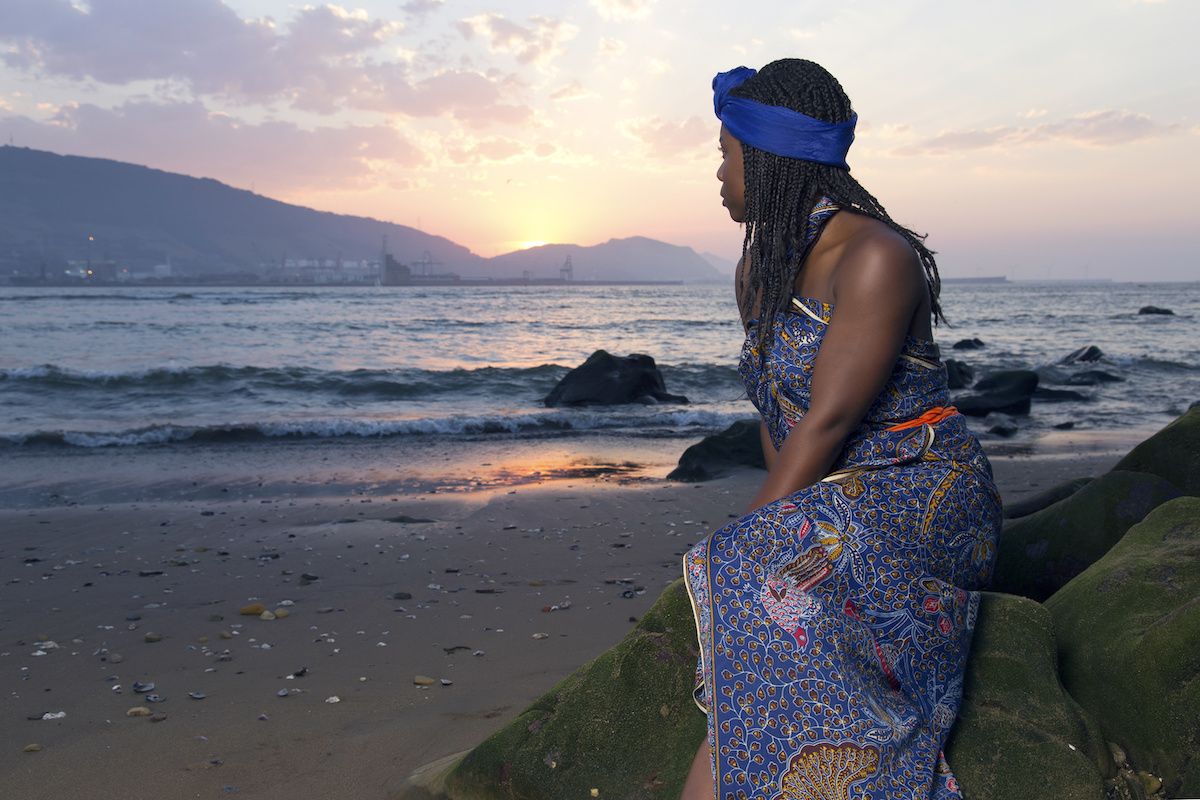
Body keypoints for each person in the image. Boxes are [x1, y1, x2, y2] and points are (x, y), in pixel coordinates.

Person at [680, 59, 1001, 800]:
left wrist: (759, 536)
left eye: (725, 153)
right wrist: (778, 532)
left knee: (751, 569)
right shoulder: (759, 271)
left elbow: (828, 421)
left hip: (926, 486)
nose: (717, 173)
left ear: (767, 157)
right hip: (837, 496)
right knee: (765, 589)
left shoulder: (874, 257)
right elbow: (783, 420)